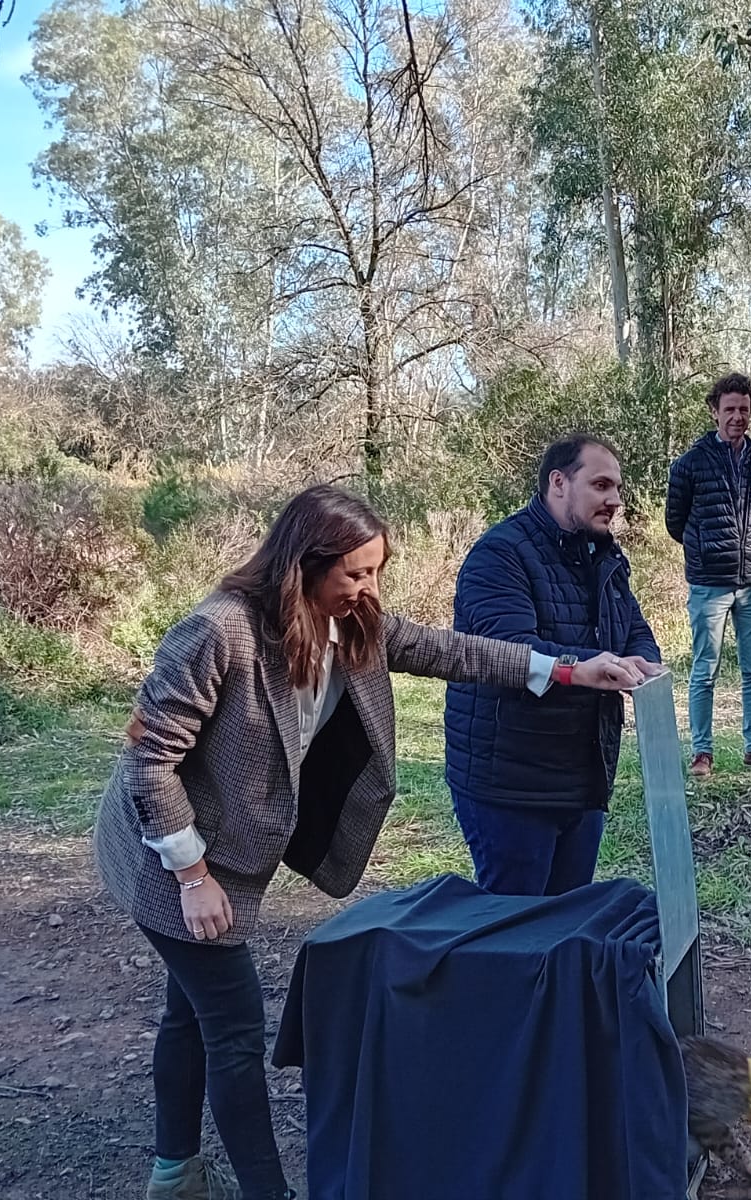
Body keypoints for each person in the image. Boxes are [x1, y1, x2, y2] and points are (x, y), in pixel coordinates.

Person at [94, 485, 644, 1200]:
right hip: (165, 849)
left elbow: (455, 653)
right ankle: (267, 1192)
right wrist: (192, 876)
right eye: (354, 573)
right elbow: (148, 759)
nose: (367, 588)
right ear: (304, 564)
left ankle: (173, 1174)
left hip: (221, 847)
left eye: (376, 572)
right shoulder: (220, 630)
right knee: (232, 1030)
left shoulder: (352, 625)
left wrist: (570, 670)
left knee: (189, 1010)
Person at [445, 435, 662, 895]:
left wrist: (645, 661)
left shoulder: (604, 554)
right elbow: (507, 650)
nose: (615, 500)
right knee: (515, 934)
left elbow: (632, 626)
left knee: (564, 928)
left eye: (618, 489)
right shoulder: (499, 555)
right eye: (601, 485)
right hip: (510, 785)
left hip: (581, 779)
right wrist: (590, 666)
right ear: (558, 482)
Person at [666, 372, 751, 778]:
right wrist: (705, 551)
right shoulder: (689, 465)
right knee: (704, 667)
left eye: (744, 410)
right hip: (709, 584)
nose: (737, 417)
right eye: (729, 409)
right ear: (714, 411)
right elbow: (675, 523)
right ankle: (702, 752)